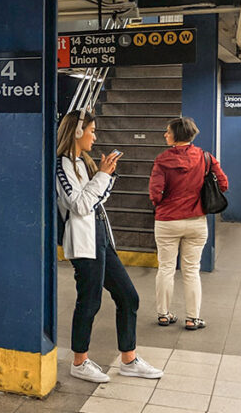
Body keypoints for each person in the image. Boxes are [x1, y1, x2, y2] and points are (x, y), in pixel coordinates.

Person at [56, 109, 163, 384]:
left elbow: (95, 199)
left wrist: (105, 174)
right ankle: (79, 362)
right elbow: (79, 205)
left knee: (129, 297)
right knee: (89, 301)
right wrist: (102, 176)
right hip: (83, 242)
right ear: (77, 132)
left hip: (102, 236)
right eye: (91, 130)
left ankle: (129, 359)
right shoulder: (62, 165)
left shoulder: (82, 162)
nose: (94, 136)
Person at [149, 117, 229, 331]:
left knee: (166, 268)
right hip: (196, 221)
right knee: (192, 271)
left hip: (167, 222)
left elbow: (155, 194)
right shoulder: (205, 157)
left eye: (168, 132)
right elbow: (223, 183)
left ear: (177, 134)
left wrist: (166, 201)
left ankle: (164, 315)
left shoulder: (162, 160)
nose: (165, 135)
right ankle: (193, 318)